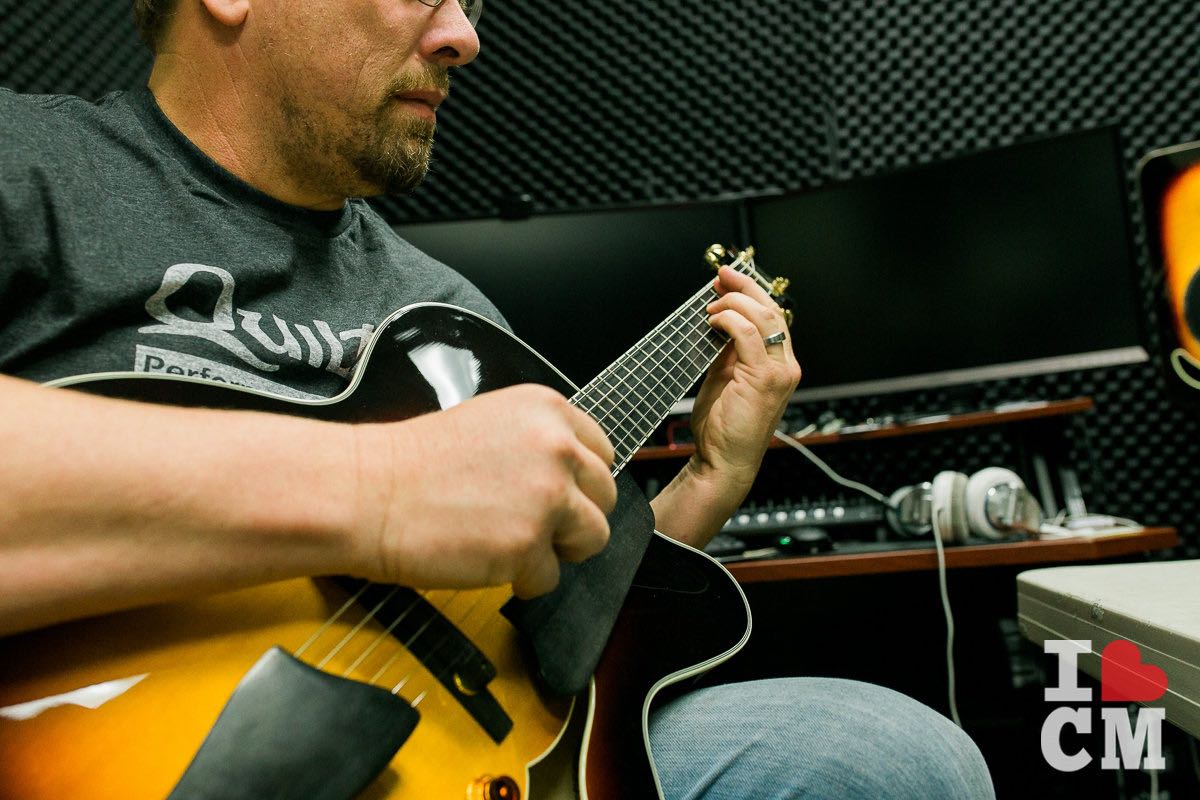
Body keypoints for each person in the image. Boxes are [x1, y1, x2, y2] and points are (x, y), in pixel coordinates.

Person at [0, 0, 995, 797]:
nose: (464, 35)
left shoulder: (447, 314)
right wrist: (384, 490)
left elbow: (553, 647)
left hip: (465, 759)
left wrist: (705, 480)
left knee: (892, 754)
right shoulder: (30, 165)